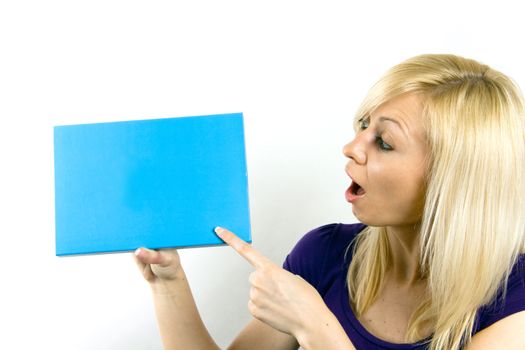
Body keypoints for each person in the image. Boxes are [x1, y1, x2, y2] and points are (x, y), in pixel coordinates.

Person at [134, 54, 525, 349]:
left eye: (385, 142)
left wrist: (314, 326)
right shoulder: (326, 254)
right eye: (363, 126)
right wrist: (169, 284)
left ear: (453, 178)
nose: (352, 148)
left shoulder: (515, 295)